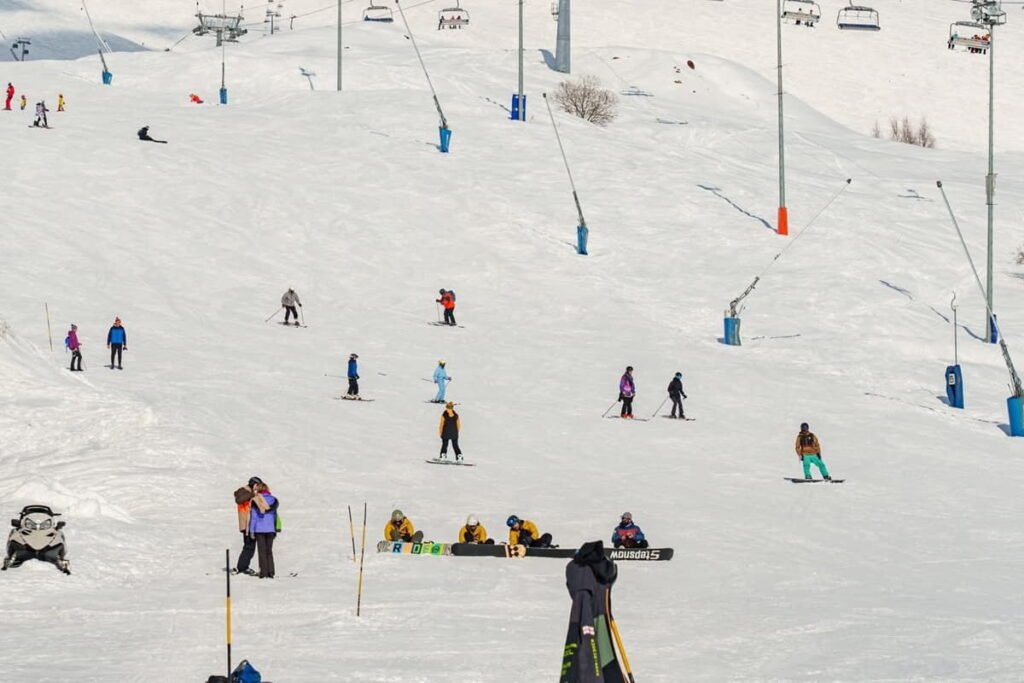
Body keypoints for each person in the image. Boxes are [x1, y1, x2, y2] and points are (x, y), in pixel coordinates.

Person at [248, 478, 278, 578]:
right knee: (269, 551)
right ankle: (271, 572)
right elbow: (275, 516)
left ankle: (263, 572)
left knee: (262, 551)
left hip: (259, 529)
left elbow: (254, 518)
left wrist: (251, 531)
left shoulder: (256, 500)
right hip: (270, 529)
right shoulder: (273, 500)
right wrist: (275, 528)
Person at [232, 478, 261, 576]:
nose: (258, 487)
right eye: (257, 485)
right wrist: (252, 494)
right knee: (249, 546)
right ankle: (242, 567)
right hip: (246, 523)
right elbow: (239, 499)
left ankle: (243, 566)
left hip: (250, 523)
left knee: (249, 546)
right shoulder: (244, 491)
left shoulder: (250, 492)